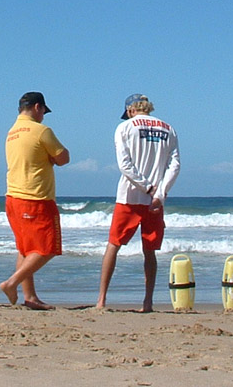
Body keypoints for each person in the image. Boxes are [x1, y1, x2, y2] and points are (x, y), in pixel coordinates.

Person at [97, 93, 180, 312]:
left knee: (113, 245)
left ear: (131, 110)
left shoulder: (124, 128)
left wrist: (147, 187)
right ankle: (148, 301)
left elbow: (125, 165)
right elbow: (175, 165)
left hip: (130, 196)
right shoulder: (168, 128)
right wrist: (160, 192)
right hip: (154, 200)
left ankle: (102, 300)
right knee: (149, 250)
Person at [0, 91, 69, 310]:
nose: (43, 116)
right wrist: (51, 157)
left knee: (25, 249)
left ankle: (30, 296)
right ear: (37, 108)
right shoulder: (41, 131)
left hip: (13, 196)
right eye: (43, 112)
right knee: (48, 248)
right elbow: (63, 157)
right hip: (35, 197)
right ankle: (11, 283)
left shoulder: (12, 132)